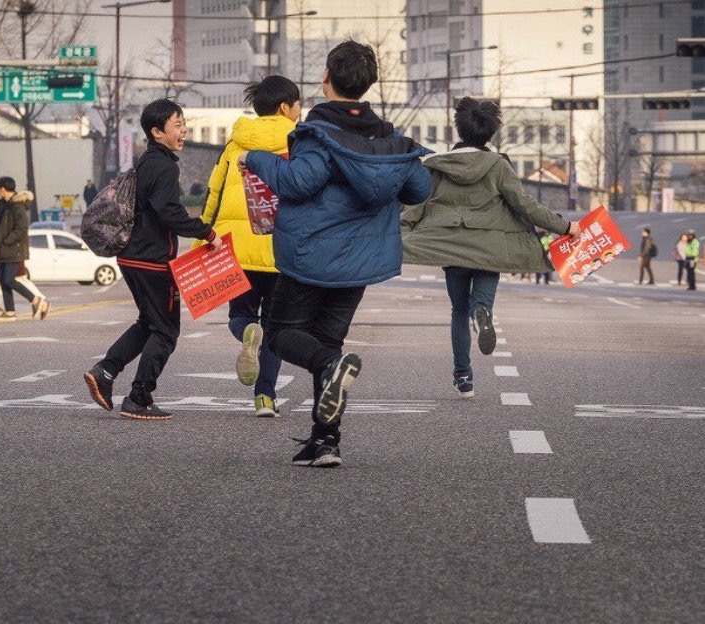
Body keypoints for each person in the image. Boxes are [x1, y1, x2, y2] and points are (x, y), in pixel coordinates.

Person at [238, 40, 431, 467]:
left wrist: (257, 159)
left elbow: (298, 183)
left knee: (283, 334)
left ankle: (330, 370)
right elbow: (419, 189)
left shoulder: (317, 133)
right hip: (359, 261)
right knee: (327, 340)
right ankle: (325, 441)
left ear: (326, 78)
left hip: (310, 255)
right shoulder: (388, 139)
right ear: (368, 84)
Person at [401, 97, 580, 399]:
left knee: (458, 309)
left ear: (459, 128)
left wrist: (397, 236)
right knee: (479, 302)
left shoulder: (438, 165)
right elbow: (525, 205)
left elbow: (414, 207)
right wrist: (565, 227)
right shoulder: (498, 166)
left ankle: (463, 377)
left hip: (451, 246)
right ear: (491, 132)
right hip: (490, 247)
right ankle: (481, 313)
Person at [84, 99, 222, 421]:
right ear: (157, 132)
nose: (184, 129)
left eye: (183, 122)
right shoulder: (165, 166)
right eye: (177, 125)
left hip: (133, 257)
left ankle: (105, 371)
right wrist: (206, 232)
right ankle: (139, 398)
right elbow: (169, 212)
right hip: (152, 261)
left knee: (149, 323)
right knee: (166, 332)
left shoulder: (147, 161)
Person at [192, 75, 300, 418]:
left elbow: (215, 194)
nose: (300, 110)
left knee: (241, 315)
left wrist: (202, 238)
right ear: (285, 107)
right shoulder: (300, 143)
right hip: (281, 247)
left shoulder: (235, 144)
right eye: (298, 104)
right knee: (275, 324)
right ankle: (264, 397)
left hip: (236, 246)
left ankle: (246, 333)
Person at [0, 177, 50, 322]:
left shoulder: (17, 205)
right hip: (3, 250)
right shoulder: (4, 203)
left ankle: (35, 299)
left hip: (13, 249)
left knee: (9, 279)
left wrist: (6, 241)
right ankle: (10, 312)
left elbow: (21, 228)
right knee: (3, 280)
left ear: (3, 189)